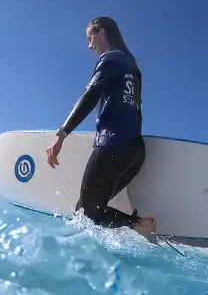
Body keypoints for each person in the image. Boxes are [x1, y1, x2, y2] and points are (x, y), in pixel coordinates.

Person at [46, 16, 156, 237]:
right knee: (87, 211)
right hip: (135, 151)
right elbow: (137, 112)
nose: (89, 45)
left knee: (86, 215)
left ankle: (140, 225)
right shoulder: (133, 69)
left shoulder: (111, 59)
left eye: (90, 37)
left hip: (112, 146)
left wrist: (62, 134)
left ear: (102, 32)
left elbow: (91, 95)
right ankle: (137, 226)